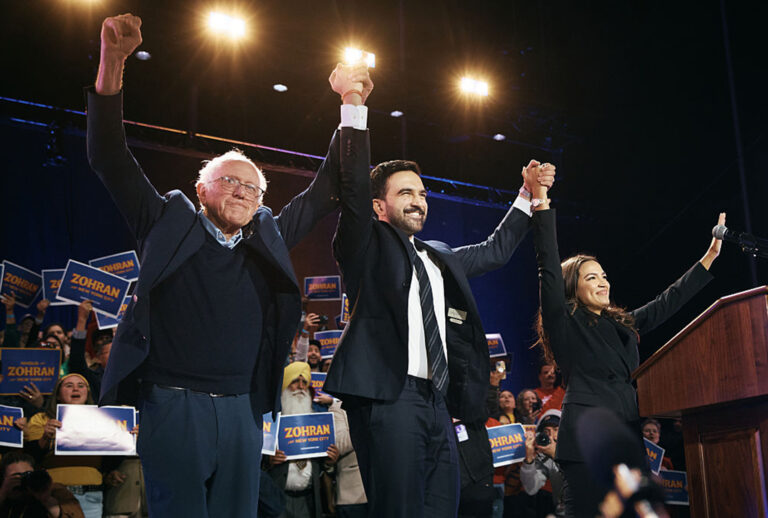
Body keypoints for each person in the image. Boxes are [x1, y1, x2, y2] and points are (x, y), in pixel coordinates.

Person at [87, 14, 372, 517]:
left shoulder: (270, 238)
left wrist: (350, 104)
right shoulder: (165, 220)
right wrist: (113, 63)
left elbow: (329, 184)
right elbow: (110, 156)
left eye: (251, 187)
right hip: (173, 404)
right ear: (201, 190)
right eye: (228, 182)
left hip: (243, 409)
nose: (241, 191)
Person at [324, 153, 555, 517]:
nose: (418, 201)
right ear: (377, 205)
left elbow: (494, 251)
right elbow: (352, 199)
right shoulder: (364, 249)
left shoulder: (439, 256)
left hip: (437, 400)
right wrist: (354, 106)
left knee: (442, 506)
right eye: (405, 193)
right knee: (399, 508)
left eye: (423, 194)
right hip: (389, 395)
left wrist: (527, 192)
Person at [529, 163, 722, 517]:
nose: (604, 282)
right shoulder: (564, 321)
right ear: (573, 287)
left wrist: (708, 259)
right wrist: (540, 201)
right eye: (592, 277)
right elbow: (548, 266)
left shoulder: (622, 324)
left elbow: (667, 303)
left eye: (604, 275)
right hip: (587, 439)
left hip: (626, 434)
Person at [265, 362, 339, 518]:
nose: (300, 386)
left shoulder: (319, 421)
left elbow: (324, 468)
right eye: (294, 381)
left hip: (309, 501)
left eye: (304, 382)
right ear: (285, 386)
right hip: (277, 501)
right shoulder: (270, 420)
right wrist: (268, 462)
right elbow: (253, 461)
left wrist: (330, 463)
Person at [0, 452, 84, 518]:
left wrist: (47, 500)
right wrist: (3, 493)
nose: (23, 480)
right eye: (16, 476)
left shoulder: (55, 491)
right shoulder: (4, 493)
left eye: (28, 474)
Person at [521, 410, 564, 517]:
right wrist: (529, 459)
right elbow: (531, 488)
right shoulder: (545, 457)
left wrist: (555, 455)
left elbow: (578, 482)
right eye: (546, 431)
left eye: (555, 430)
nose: (552, 435)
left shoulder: (579, 449)